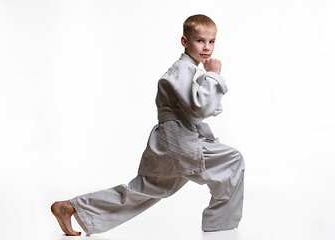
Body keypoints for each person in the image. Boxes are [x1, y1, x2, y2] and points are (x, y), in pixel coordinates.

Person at [51, 14, 245, 236]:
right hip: (179, 142)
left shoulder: (191, 71)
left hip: (171, 141)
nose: (207, 47)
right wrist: (213, 76)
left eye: (211, 42)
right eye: (200, 40)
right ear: (184, 41)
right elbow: (201, 108)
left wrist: (207, 78)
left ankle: (72, 206)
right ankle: (221, 228)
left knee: (144, 190)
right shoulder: (182, 70)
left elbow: (206, 107)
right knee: (233, 160)